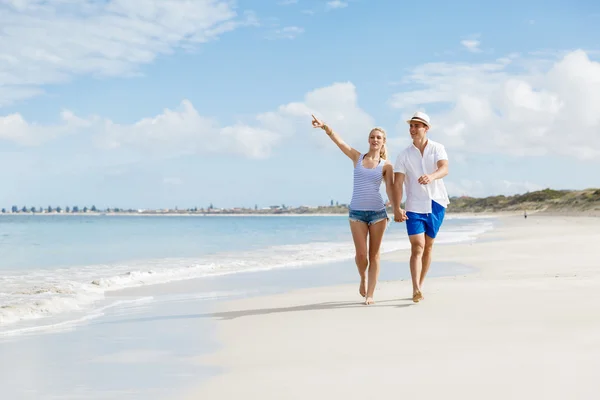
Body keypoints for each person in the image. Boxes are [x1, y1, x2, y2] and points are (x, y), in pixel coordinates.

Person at [311, 114, 394, 305]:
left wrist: (394, 205)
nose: (375, 140)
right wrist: (325, 127)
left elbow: (391, 187)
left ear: (383, 142)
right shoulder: (358, 157)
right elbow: (340, 143)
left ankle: (370, 294)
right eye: (372, 137)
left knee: (374, 255)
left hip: (378, 214)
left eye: (378, 138)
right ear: (368, 140)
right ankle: (363, 278)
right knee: (361, 255)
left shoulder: (386, 165)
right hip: (356, 213)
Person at [392, 111, 449, 303]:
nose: (413, 129)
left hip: (437, 203)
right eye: (411, 126)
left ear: (426, 128)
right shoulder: (403, 155)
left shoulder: (438, 148)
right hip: (414, 205)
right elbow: (397, 183)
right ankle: (415, 288)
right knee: (418, 246)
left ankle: (421, 284)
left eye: (417, 126)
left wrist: (431, 176)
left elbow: (444, 168)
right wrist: (397, 207)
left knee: (428, 247)